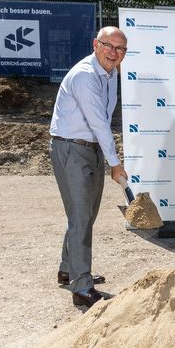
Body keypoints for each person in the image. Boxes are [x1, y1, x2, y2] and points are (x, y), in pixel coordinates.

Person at [49, 26, 128, 308]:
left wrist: (105, 155)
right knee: (81, 216)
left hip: (91, 148)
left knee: (85, 215)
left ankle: (68, 269)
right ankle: (81, 287)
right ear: (96, 44)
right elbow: (97, 121)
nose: (114, 53)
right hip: (71, 147)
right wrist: (116, 164)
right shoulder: (85, 75)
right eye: (109, 46)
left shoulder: (111, 73)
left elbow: (104, 121)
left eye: (120, 49)